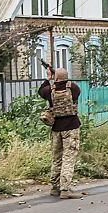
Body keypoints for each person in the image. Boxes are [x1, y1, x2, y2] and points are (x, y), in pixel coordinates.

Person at [38, 67, 83, 200]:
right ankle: (65, 189)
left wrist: (48, 79)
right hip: (72, 127)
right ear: (66, 77)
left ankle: (55, 187)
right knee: (68, 157)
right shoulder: (74, 88)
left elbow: (41, 92)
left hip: (56, 127)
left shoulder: (49, 91)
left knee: (56, 157)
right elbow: (75, 97)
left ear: (55, 77)